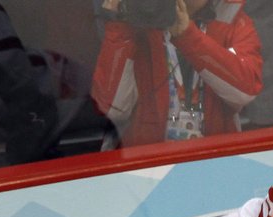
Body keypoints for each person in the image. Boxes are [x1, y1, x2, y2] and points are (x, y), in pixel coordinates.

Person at [93, 0, 262, 147]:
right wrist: (119, 26)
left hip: (215, 163)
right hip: (147, 165)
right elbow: (114, 109)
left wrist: (188, 36)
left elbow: (245, 92)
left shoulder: (231, 17)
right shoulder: (134, 23)